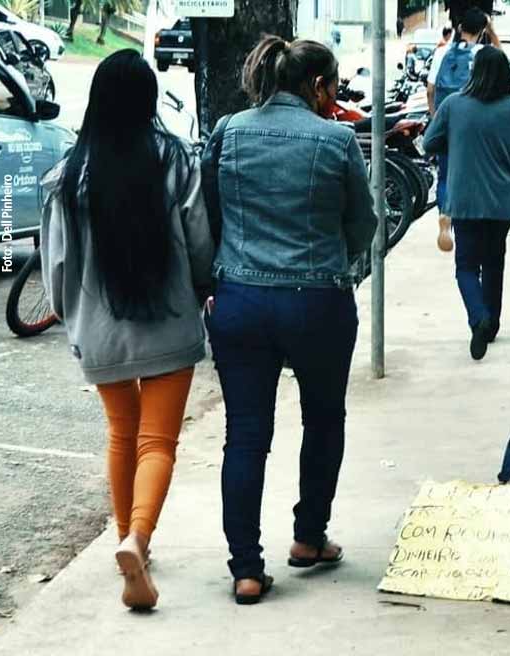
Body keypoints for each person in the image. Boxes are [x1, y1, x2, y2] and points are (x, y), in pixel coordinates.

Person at [201, 36, 377, 605]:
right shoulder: (337, 139)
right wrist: (337, 264)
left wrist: (217, 279)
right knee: (323, 419)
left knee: (246, 435)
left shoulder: (228, 131)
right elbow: (363, 222)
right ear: (319, 86)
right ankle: (308, 538)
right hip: (317, 300)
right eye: (334, 87)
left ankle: (246, 569)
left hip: (240, 301)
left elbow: (207, 212)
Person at [40, 50, 215, 610]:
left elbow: (58, 267)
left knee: (122, 434)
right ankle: (139, 539)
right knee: (157, 441)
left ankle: (126, 540)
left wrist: (75, 321)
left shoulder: (67, 175)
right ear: (146, 102)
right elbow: (198, 239)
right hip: (168, 324)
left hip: (101, 329)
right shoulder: (175, 160)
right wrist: (204, 287)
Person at [423, 45, 510, 360]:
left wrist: (458, 139)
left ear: (474, 72)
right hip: (502, 201)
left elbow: (428, 142)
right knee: (494, 262)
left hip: (465, 199)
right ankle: (492, 323)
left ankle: (478, 318)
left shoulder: (453, 105)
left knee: (465, 265)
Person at [427, 8, 501, 253]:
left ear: (459, 28)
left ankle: (445, 214)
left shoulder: (441, 52)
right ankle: (465, 218)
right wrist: (492, 32)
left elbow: (430, 90)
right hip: (471, 123)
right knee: (470, 172)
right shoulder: (482, 53)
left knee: (445, 173)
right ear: (481, 31)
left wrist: (435, 117)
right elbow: (501, 62)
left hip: (446, 120)